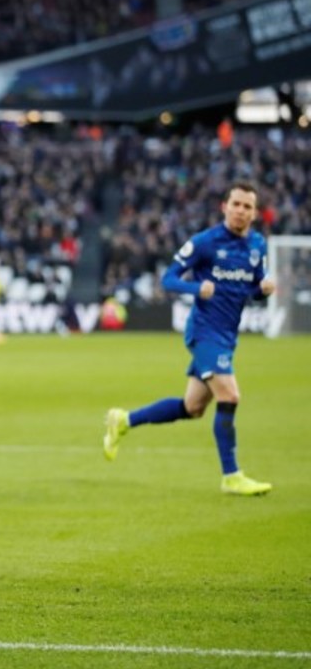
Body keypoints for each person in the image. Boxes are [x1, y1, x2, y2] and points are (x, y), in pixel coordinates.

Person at [103, 183, 275, 496]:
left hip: (227, 335)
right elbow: (167, 279)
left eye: (247, 206)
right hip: (204, 332)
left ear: (254, 213)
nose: (240, 211)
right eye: (236, 204)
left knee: (192, 407)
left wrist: (263, 291)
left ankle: (124, 420)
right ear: (224, 207)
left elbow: (250, 291)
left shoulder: (257, 246)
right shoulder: (205, 242)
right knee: (230, 395)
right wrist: (196, 288)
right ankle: (231, 476)